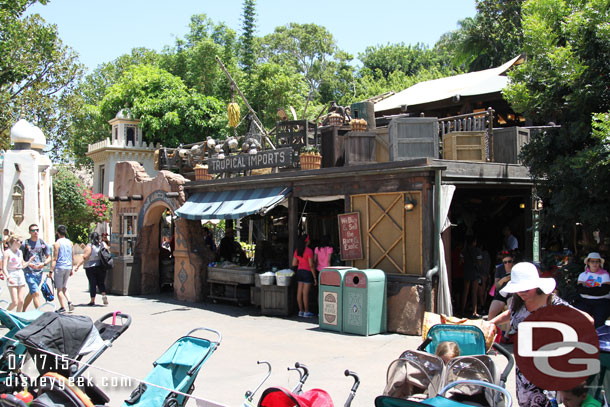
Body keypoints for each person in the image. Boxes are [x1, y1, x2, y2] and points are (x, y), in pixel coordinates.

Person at [489, 262, 594, 407]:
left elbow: (588, 320)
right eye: (519, 289)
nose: (522, 292)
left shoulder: (552, 302)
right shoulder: (517, 301)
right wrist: (492, 323)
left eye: (526, 288)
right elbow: (511, 314)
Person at [575, 252, 610, 327]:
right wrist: (597, 289)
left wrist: (587, 289)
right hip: (585, 301)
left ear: (599, 263)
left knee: (599, 321)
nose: (595, 264)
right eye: (592, 261)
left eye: (597, 261)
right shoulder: (583, 275)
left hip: (601, 302)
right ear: (588, 262)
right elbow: (580, 289)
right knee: (580, 319)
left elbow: (604, 290)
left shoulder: (605, 275)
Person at [74, 232, 108, 306]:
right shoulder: (102, 245)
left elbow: (85, 257)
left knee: (92, 283)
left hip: (90, 267)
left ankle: (92, 300)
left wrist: (78, 265)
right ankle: (104, 295)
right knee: (101, 282)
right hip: (100, 266)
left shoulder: (90, 246)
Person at [21, 223, 50, 310]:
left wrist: (43, 264)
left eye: (37, 230)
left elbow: (49, 257)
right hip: (28, 272)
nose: (36, 232)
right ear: (30, 232)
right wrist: (29, 264)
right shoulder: (25, 244)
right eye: (33, 230)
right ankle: (40, 315)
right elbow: (20, 258)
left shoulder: (42, 243)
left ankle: (23, 310)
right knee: (36, 293)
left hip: (39, 272)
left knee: (32, 292)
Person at [2, 235, 35, 311]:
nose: (21, 244)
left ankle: (17, 318)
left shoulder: (20, 252)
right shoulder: (7, 252)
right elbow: (4, 267)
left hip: (20, 274)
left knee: (21, 301)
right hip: (11, 274)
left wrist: (30, 261)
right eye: (20, 242)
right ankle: (4, 314)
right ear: (15, 241)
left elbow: (22, 265)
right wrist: (8, 277)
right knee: (15, 302)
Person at [51, 225, 75, 313]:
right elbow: (72, 257)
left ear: (57, 232)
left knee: (59, 288)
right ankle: (69, 301)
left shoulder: (57, 243)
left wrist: (51, 270)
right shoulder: (70, 243)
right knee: (65, 286)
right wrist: (72, 268)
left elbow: (55, 258)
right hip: (68, 266)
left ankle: (62, 306)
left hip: (60, 266)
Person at [487, 251, 515, 321]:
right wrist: (503, 280)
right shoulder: (499, 269)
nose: (507, 264)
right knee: (492, 312)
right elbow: (496, 286)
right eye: (505, 262)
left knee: (510, 309)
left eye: (509, 261)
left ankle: (509, 331)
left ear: (512, 261)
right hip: (501, 293)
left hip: (512, 293)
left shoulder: (515, 268)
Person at [292, 234, 315, 318]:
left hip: (299, 271)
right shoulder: (309, 251)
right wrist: (315, 277)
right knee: (305, 293)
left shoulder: (297, 250)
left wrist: (301, 263)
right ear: (307, 241)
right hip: (307, 272)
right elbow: (311, 265)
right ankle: (306, 311)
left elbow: (294, 263)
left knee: (299, 292)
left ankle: (300, 311)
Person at [460, 236, 482, 318]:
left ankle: (462, 310)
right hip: (474, 272)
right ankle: (474, 311)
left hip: (466, 271)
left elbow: (461, 262)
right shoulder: (477, 251)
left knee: (465, 292)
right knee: (474, 292)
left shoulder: (463, 251)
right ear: (474, 242)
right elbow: (480, 263)